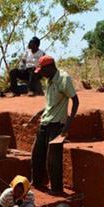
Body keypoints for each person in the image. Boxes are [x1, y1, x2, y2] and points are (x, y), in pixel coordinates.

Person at [26, 55, 79, 195]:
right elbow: (50, 106)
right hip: (45, 122)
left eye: (42, 71)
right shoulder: (49, 81)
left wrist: (68, 125)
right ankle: (37, 184)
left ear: (50, 67)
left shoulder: (63, 78)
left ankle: (57, 190)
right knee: (37, 154)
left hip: (56, 125)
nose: (41, 74)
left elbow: (75, 101)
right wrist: (37, 114)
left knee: (53, 159)